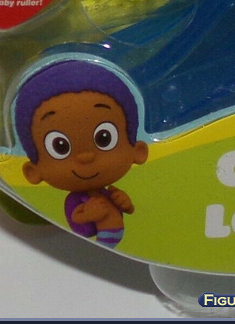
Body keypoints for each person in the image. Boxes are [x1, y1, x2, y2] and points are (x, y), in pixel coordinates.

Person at [14, 58, 148, 248]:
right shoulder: (75, 201)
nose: (85, 157)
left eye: (104, 138)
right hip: (91, 248)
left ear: (138, 151)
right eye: (60, 147)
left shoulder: (107, 193)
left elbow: (128, 210)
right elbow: (77, 225)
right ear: (33, 171)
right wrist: (88, 214)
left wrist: (125, 204)